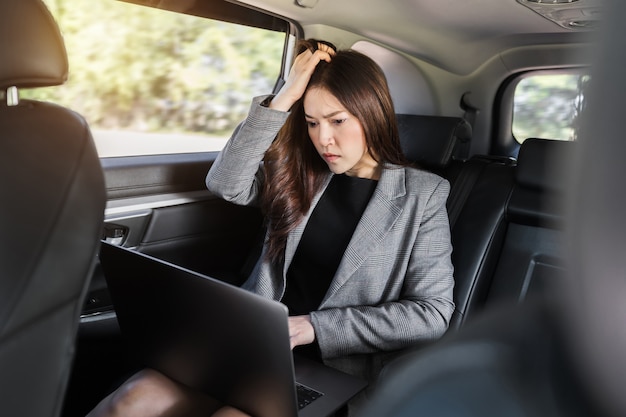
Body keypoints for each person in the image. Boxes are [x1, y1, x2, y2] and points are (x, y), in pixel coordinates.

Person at [86, 39, 455, 417]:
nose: (323, 138)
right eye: (311, 122)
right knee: (134, 398)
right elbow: (225, 183)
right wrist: (282, 99)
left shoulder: (423, 195)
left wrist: (311, 327)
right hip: (251, 346)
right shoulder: (304, 171)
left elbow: (432, 313)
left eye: (337, 120)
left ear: (372, 112)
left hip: (331, 368)